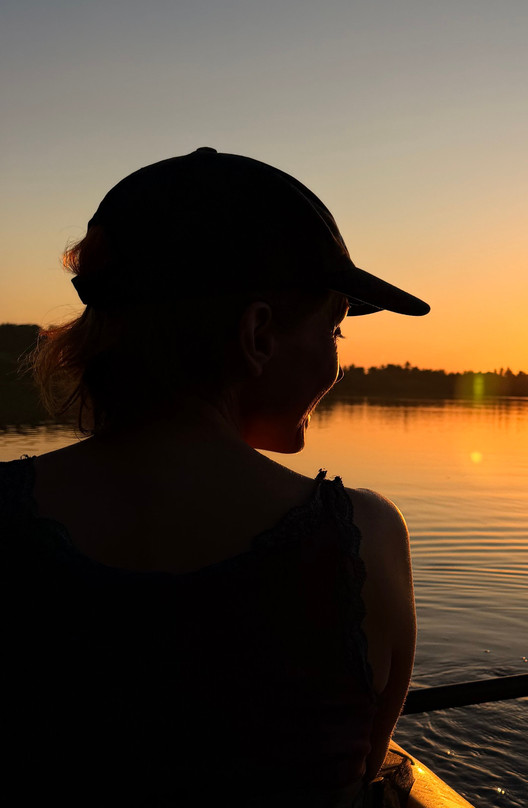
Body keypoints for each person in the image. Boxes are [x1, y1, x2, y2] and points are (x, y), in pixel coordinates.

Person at [0, 148, 428, 806]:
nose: (335, 366)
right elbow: (366, 761)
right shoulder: (363, 537)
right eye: (335, 332)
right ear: (257, 334)